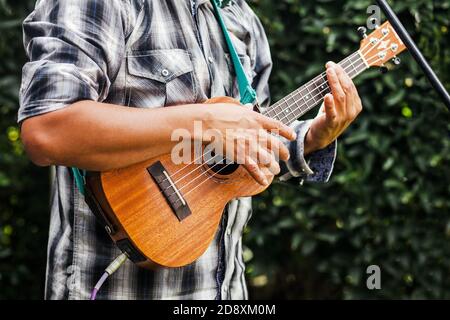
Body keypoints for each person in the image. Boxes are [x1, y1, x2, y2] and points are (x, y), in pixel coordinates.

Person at [19, 0, 362, 300]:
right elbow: (48, 130)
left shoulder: (239, 18)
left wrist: (314, 137)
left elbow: (241, 151)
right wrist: (204, 123)